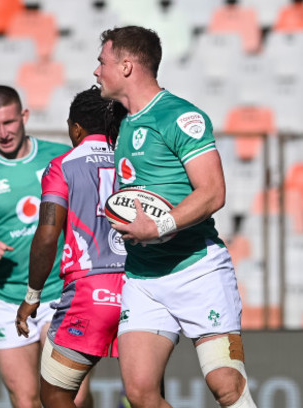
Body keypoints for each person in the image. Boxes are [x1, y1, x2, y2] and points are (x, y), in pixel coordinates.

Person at [94, 26, 256, 408]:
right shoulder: (121, 121)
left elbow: (213, 191)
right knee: (139, 393)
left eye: (102, 62)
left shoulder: (180, 116)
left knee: (227, 386)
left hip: (197, 270)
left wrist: (159, 225)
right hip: (144, 278)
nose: (97, 70)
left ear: (128, 66)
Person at [0, 85, 92, 408]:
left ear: (24, 116)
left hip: (61, 291)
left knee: (74, 398)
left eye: (9, 122)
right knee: (25, 400)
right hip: (6, 298)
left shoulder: (60, 157)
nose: (3, 132)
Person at [15, 86, 128, 408]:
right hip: (139, 288)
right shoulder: (133, 163)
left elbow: (48, 235)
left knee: (54, 395)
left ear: (76, 128)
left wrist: (32, 296)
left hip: (90, 291)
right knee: (144, 393)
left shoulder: (63, 165)